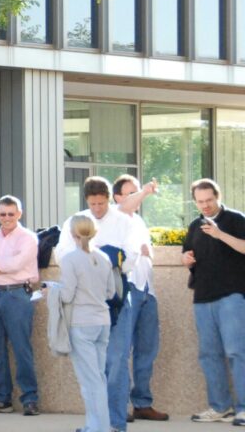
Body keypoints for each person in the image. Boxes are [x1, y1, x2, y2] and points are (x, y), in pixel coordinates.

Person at [57, 176, 153, 432]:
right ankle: (97, 424)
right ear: (86, 201)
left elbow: (131, 256)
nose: (97, 208)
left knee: (117, 361)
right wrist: (95, 260)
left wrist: (101, 260)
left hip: (119, 294)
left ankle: (116, 423)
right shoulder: (75, 220)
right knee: (91, 372)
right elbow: (62, 252)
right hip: (85, 297)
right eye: (93, 203)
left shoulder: (124, 221)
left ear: (109, 199)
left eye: (101, 203)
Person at [182, 178, 245, 425]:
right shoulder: (195, 226)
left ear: (218, 197)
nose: (205, 206)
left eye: (209, 200)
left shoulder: (236, 219)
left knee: (237, 352)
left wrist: (220, 234)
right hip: (202, 297)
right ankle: (220, 407)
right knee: (209, 354)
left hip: (232, 295)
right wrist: (185, 258)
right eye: (200, 202)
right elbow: (187, 253)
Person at [0, 196, 40, 416]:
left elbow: (18, 264)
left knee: (22, 348)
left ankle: (30, 398)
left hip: (18, 294)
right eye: (3, 214)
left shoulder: (28, 238)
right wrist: (3, 266)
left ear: (19, 214)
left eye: (11, 214)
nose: (7, 218)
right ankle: (0, 398)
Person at [111, 175, 168, 422]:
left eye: (137, 191)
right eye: (130, 192)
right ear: (117, 198)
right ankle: (119, 406)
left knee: (147, 350)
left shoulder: (139, 221)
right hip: (128, 290)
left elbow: (148, 251)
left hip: (148, 291)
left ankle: (142, 403)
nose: (137, 196)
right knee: (121, 351)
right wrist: (144, 191)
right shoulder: (115, 218)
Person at [58, 214, 118, 432]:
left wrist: (50, 291)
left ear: (73, 234)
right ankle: (97, 425)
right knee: (98, 376)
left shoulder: (70, 259)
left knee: (89, 381)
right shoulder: (103, 257)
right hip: (103, 321)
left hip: (81, 323)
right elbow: (111, 292)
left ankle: (98, 427)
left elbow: (66, 296)